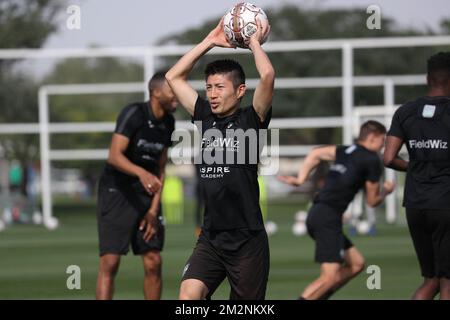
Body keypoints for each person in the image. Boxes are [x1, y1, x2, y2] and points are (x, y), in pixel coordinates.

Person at [165, 18, 274, 300]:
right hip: (211, 237)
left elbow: (267, 76)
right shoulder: (204, 116)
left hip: (247, 239)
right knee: (189, 297)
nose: (212, 94)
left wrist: (252, 43)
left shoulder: (253, 118)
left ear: (240, 91)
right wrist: (208, 42)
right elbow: (173, 77)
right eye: (209, 87)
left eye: (220, 87)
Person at [278, 120, 394, 300]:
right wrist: (386, 190)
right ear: (372, 138)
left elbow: (316, 153)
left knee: (356, 264)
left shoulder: (345, 150)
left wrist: (301, 179)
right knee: (329, 276)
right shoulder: (372, 159)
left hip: (317, 213)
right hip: (327, 217)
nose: (383, 145)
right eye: (382, 141)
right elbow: (372, 201)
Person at [95, 71, 177, 300]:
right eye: (173, 91)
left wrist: (152, 210)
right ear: (156, 92)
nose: (177, 97)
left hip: (146, 194)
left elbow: (161, 169)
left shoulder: (169, 122)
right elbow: (114, 156)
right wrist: (141, 172)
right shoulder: (133, 113)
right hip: (117, 191)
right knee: (110, 262)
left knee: (154, 261)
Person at [384, 51, 450, 300]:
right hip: (445, 203)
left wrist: (419, 165)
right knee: (447, 282)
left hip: (415, 204)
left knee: (431, 279)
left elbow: (389, 158)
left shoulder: (406, 111)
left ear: (428, 78)